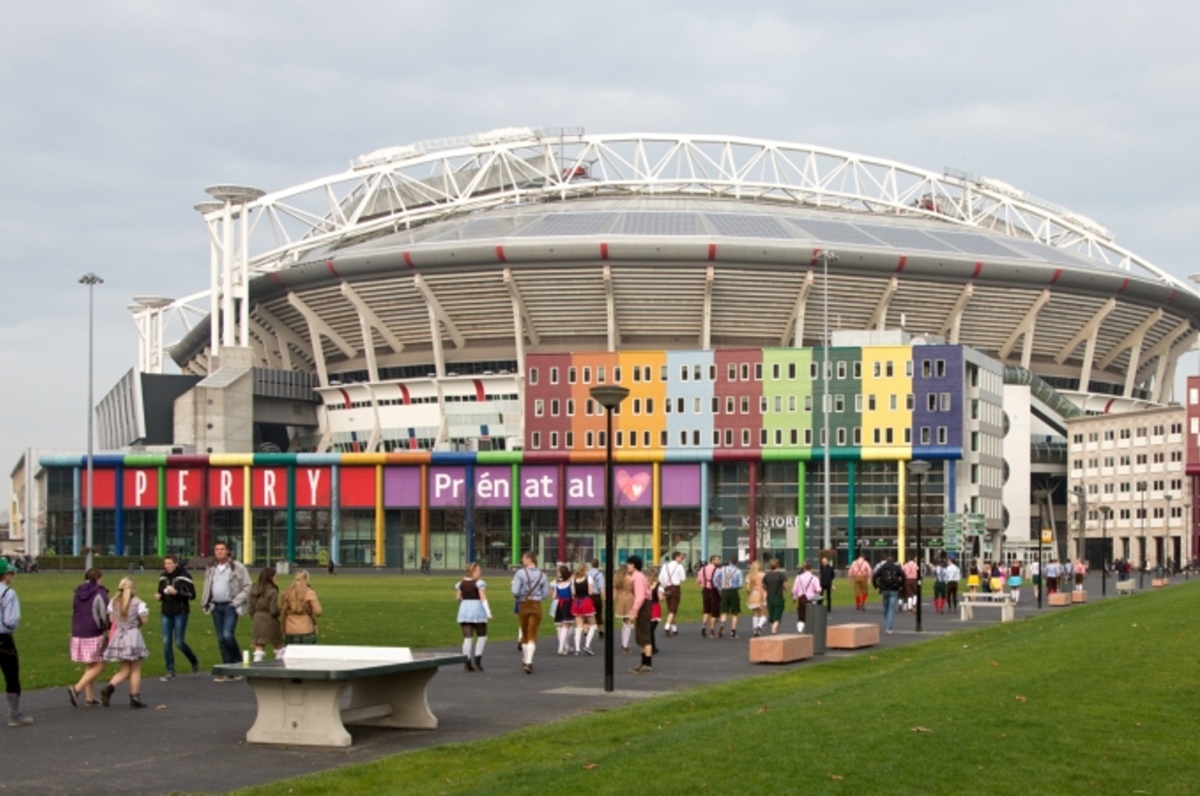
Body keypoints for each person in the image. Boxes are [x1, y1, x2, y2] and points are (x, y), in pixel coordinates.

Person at [201, 541, 252, 682]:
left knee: (227, 634)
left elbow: (248, 585)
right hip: (216, 606)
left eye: (222, 549)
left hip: (230, 606)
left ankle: (237, 662)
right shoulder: (211, 568)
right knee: (221, 639)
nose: (219, 552)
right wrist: (206, 601)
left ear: (227, 551)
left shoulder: (237, 567)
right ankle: (227, 669)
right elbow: (207, 586)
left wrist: (236, 601)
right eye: (217, 549)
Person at [100, 576, 150, 709]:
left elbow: (111, 619)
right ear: (133, 588)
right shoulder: (138, 602)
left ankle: (110, 687)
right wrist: (137, 622)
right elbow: (144, 620)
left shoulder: (113, 602)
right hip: (132, 635)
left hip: (119, 635)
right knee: (135, 668)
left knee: (124, 669)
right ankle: (135, 696)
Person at [68, 568, 110, 706]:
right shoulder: (100, 592)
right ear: (98, 577)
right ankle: (77, 688)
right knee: (100, 664)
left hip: (78, 630)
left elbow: (74, 609)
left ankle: (90, 697)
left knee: (90, 664)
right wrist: (107, 627)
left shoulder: (77, 592)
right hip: (93, 631)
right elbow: (104, 612)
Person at [155, 554, 200, 681]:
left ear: (175, 564)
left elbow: (192, 595)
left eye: (170, 563)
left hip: (180, 611)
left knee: (179, 642)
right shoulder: (162, 577)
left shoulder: (184, 576)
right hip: (166, 612)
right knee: (166, 642)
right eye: (165, 564)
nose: (167, 566)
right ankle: (170, 671)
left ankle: (194, 660)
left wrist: (177, 593)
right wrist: (159, 596)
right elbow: (161, 591)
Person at [0, 559, 32, 725]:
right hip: (3, 639)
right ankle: (14, 714)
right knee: (11, 675)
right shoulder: (8, 593)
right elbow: (10, 620)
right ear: (5, 575)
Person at [510, 551, 548, 674]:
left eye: (523, 558)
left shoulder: (520, 573)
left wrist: (521, 595)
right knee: (533, 632)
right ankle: (529, 660)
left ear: (528, 559)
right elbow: (546, 594)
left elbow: (515, 591)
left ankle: (526, 659)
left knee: (524, 631)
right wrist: (537, 596)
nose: (522, 560)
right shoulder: (542, 575)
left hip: (524, 603)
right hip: (536, 604)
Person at [455, 563, 491, 672]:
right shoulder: (479, 583)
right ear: (473, 572)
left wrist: (465, 600)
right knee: (482, 635)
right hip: (477, 610)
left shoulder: (460, 583)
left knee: (467, 638)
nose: (480, 572)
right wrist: (488, 612)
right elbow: (483, 598)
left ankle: (467, 663)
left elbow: (457, 597)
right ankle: (477, 660)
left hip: (465, 610)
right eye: (478, 570)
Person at [626, 555, 654, 674]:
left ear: (633, 565)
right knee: (641, 636)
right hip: (644, 605)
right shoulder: (638, 576)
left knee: (644, 635)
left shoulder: (637, 577)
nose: (627, 566)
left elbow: (640, 596)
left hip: (644, 606)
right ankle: (643, 663)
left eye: (628, 564)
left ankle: (647, 664)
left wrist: (634, 611)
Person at [249, 568, 283, 663]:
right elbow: (273, 610)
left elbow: (250, 608)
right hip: (271, 621)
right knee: (278, 646)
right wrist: (281, 610)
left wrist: (255, 617)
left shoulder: (253, 589)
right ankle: (279, 668)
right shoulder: (272, 591)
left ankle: (256, 668)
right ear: (271, 578)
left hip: (258, 620)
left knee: (259, 646)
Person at [280, 570, 322, 646]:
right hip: (306, 628)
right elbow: (318, 612)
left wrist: (282, 628)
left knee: (291, 655)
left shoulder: (287, 593)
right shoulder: (309, 593)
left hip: (289, 628)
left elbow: (282, 611)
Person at [872, 555, 906, 634]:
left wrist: (876, 587)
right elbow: (903, 576)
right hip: (894, 589)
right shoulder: (896, 567)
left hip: (884, 590)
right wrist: (901, 585)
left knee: (886, 608)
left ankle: (887, 623)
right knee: (891, 609)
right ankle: (889, 627)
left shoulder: (883, 567)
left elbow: (874, 576)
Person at [571, 562, 598, 656]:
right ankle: (587, 645)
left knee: (578, 627)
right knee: (593, 625)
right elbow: (590, 592)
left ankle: (577, 649)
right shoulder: (589, 578)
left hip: (577, 602)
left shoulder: (574, 579)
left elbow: (573, 592)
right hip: (586, 601)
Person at [714, 556, 743, 638]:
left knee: (724, 611)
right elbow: (740, 584)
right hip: (733, 591)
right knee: (735, 612)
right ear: (736, 562)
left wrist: (719, 587)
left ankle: (722, 625)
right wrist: (737, 586)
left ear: (730, 561)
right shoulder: (738, 571)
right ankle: (732, 632)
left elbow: (715, 578)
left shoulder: (722, 569)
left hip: (724, 590)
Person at [659, 551, 687, 636]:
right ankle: (667, 627)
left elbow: (661, 578)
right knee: (673, 609)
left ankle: (674, 629)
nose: (682, 559)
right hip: (675, 588)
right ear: (676, 557)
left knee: (671, 608)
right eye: (681, 557)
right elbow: (683, 578)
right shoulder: (679, 566)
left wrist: (662, 589)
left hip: (667, 587)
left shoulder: (665, 566)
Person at [791, 561, 822, 634]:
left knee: (801, 615)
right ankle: (811, 630)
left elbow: (794, 589)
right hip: (811, 599)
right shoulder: (814, 578)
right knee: (811, 615)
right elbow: (818, 589)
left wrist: (794, 597)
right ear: (811, 569)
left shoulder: (798, 577)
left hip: (801, 598)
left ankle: (800, 629)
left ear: (804, 569)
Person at [552, 565, 574, 656]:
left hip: (559, 605)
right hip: (568, 604)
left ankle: (565, 646)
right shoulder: (570, 584)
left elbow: (554, 596)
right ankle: (561, 648)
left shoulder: (557, 584)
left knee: (560, 626)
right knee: (566, 625)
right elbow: (573, 595)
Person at [696, 554, 721, 637]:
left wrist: (704, 584)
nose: (719, 562)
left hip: (705, 590)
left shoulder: (702, 569)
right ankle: (712, 630)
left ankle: (703, 626)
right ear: (713, 561)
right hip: (714, 591)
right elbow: (719, 583)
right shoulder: (717, 570)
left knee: (706, 610)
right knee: (714, 611)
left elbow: (698, 581)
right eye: (717, 560)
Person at [762, 558, 788, 634]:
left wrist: (767, 588)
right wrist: (785, 588)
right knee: (778, 614)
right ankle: (774, 628)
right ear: (778, 565)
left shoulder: (766, 575)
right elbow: (785, 585)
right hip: (778, 597)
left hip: (769, 597)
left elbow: (763, 585)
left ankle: (773, 630)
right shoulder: (781, 575)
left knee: (771, 614)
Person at [613, 562, 634, 654]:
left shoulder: (617, 579)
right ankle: (625, 645)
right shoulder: (630, 579)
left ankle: (623, 643)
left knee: (624, 622)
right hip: (629, 598)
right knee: (628, 622)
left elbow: (614, 591)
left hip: (620, 598)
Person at [745, 560, 766, 636]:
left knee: (755, 613)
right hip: (762, 593)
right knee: (763, 613)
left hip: (754, 593)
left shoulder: (749, 575)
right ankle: (759, 626)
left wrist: (750, 593)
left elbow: (747, 588)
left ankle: (755, 630)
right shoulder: (763, 575)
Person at [586, 559, 605, 638]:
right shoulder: (599, 575)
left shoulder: (587, 574)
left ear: (591, 565)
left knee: (587, 614)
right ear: (598, 565)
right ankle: (601, 631)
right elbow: (601, 588)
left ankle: (586, 631)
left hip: (588, 596)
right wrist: (604, 597)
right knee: (598, 614)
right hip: (596, 596)